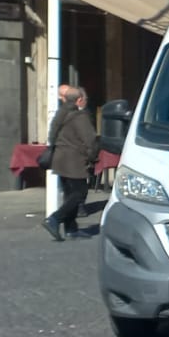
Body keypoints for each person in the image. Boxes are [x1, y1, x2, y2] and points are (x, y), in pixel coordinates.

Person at [44, 87, 100, 242]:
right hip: (74, 160)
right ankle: (54, 219)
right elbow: (91, 140)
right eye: (84, 99)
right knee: (79, 193)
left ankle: (71, 229)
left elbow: (52, 135)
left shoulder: (60, 114)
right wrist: (92, 157)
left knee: (69, 194)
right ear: (79, 100)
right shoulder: (80, 116)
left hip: (60, 159)